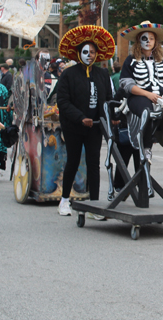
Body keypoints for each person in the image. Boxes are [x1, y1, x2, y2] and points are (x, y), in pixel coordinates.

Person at [57, 25, 114, 216]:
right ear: (78, 53)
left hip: (95, 128)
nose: (89, 55)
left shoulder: (102, 74)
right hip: (73, 126)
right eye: (85, 52)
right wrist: (80, 118)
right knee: (73, 160)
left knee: (93, 163)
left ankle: (95, 203)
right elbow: (63, 102)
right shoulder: (68, 75)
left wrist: (111, 118)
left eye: (92, 52)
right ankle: (65, 199)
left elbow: (108, 99)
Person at [119, 21, 163, 168]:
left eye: (151, 38)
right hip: (139, 96)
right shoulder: (131, 60)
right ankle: (147, 149)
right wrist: (147, 94)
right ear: (139, 40)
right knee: (147, 110)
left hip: (161, 97)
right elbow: (126, 84)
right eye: (144, 38)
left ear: (155, 41)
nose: (148, 41)